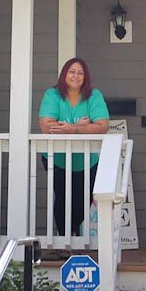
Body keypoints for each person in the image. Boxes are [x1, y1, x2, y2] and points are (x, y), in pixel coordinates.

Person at [37, 57, 110, 237]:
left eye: (80, 73)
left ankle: (73, 235)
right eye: (72, 71)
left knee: (83, 201)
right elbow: (48, 126)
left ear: (85, 77)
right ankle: (65, 241)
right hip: (58, 159)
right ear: (64, 75)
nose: (75, 76)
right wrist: (84, 127)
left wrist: (73, 128)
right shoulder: (52, 95)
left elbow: (102, 126)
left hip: (87, 160)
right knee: (62, 200)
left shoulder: (94, 96)